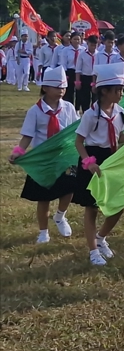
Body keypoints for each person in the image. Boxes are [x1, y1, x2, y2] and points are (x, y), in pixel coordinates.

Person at [73, 63, 124, 266]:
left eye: (122, 89)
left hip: (112, 159)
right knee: (92, 207)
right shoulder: (90, 115)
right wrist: (89, 162)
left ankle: (101, 238)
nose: (121, 93)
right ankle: (93, 251)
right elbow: (78, 141)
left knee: (118, 204)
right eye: (117, 90)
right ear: (104, 91)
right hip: (93, 158)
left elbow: (118, 137)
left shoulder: (120, 112)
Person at [9, 66, 79, 244]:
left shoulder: (69, 108)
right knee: (44, 197)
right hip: (43, 161)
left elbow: (77, 130)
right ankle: (43, 231)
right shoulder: (35, 111)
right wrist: (18, 152)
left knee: (70, 187)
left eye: (63, 88)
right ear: (45, 88)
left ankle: (60, 216)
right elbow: (27, 136)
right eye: (57, 87)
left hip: (64, 157)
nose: (61, 91)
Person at [76, 35, 99, 111]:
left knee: (95, 97)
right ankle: (85, 112)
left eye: (95, 45)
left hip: (96, 77)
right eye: (91, 45)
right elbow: (78, 68)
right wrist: (78, 81)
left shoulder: (98, 54)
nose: (93, 47)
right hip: (85, 77)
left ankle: (94, 112)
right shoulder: (82, 54)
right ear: (87, 43)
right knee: (85, 98)